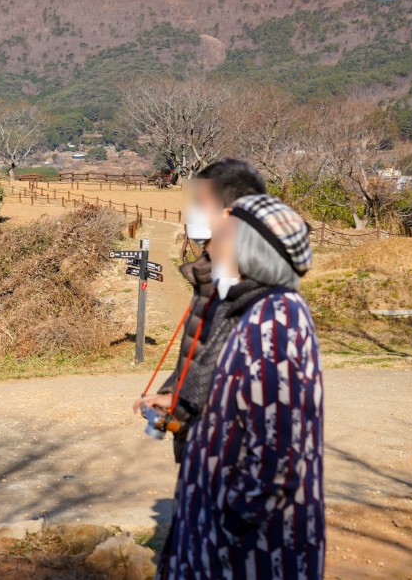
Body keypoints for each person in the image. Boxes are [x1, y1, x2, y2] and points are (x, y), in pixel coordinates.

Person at [159, 193, 324, 580]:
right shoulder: (254, 310)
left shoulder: (277, 321)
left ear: (249, 249)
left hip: (253, 552)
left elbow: (277, 455)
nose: (209, 248)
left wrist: (226, 520)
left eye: (220, 237)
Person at [133, 159, 266, 463]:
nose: (190, 211)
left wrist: (180, 404)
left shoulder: (249, 290)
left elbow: (229, 376)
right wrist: (172, 393)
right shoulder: (208, 277)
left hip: (229, 453)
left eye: (200, 203)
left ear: (229, 215)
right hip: (198, 443)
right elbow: (199, 355)